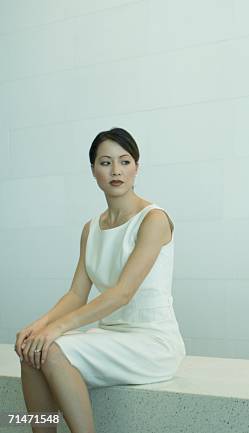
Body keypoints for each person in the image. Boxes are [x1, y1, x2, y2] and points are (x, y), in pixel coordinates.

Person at [14, 127, 186, 433]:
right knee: (32, 350)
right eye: (105, 163)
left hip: (152, 342)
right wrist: (38, 326)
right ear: (93, 170)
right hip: (108, 337)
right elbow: (76, 294)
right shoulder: (90, 228)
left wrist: (57, 328)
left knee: (51, 348)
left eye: (125, 161)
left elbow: (122, 294)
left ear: (137, 167)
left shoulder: (154, 219)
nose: (116, 170)